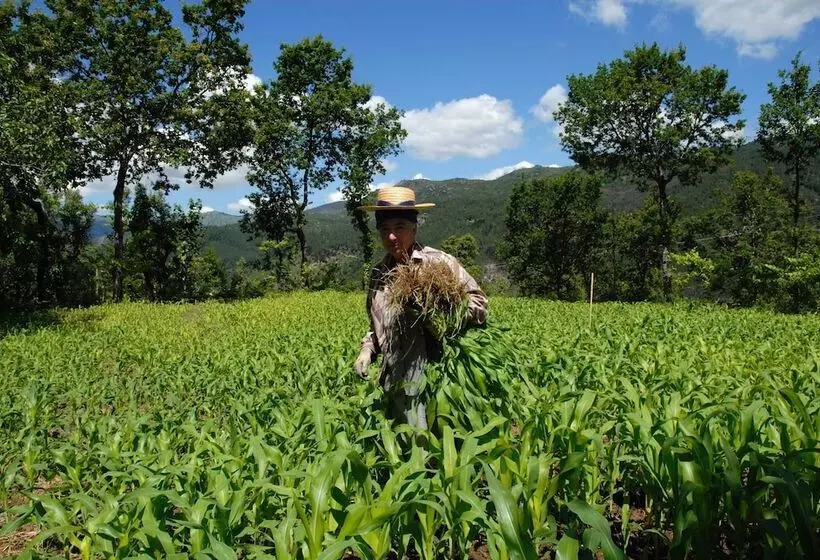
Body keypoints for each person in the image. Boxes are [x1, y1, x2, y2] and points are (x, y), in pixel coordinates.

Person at [354, 186, 488, 431]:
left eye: (399, 228)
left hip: (436, 381)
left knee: (434, 452)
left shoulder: (439, 264)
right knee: (402, 448)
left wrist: (438, 306)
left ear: (414, 228)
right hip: (394, 381)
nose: (391, 237)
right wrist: (367, 350)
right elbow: (379, 326)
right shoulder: (378, 275)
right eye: (385, 229)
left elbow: (480, 307)